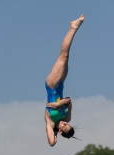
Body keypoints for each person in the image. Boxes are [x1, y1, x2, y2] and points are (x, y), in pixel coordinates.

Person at [44, 14, 85, 146]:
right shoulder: (67, 116)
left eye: (64, 127)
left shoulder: (50, 123)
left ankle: (73, 27)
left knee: (64, 55)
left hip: (52, 85)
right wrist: (58, 105)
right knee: (66, 57)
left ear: (60, 131)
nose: (65, 123)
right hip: (60, 85)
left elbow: (51, 143)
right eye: (68, 125)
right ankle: (73, 27)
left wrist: (54, 137)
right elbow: (69, 100)